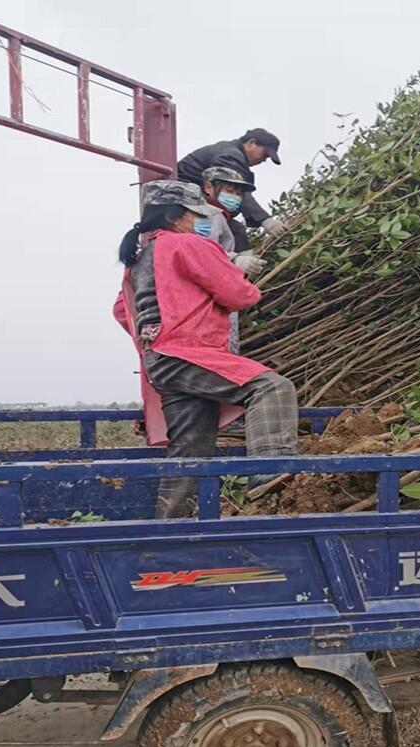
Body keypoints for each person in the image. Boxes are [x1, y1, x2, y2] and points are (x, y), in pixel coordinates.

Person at [113, 180, 298, 519]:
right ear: (176, 216)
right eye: (197, 214)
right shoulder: (187, 244)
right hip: (189, 353)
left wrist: (153, 334)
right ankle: (271, 480)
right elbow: (239, 295)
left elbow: (122, 310)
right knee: (272, 388)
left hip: (161, 362)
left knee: (191, 451)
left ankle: (170, 526)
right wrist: (240, 277)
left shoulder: (139, 258)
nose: (203, 221)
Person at [178, 128, 287, 252]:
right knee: (232, 230)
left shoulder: (234, 155)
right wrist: (265, 220)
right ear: (251, 143)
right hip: (184, 201)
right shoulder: (231, 156)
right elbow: (234, 188)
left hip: (194, 200)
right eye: (265, 154)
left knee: (235, 230)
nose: (264, 159)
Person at [200, 165, 266, 354]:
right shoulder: (205, 215)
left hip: (221, 299)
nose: (235, 197)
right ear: (208, 187)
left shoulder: (223, 219)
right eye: (230, 191)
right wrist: (235, 259)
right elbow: (201, 250)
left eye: (238, 193)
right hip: (208, 303)